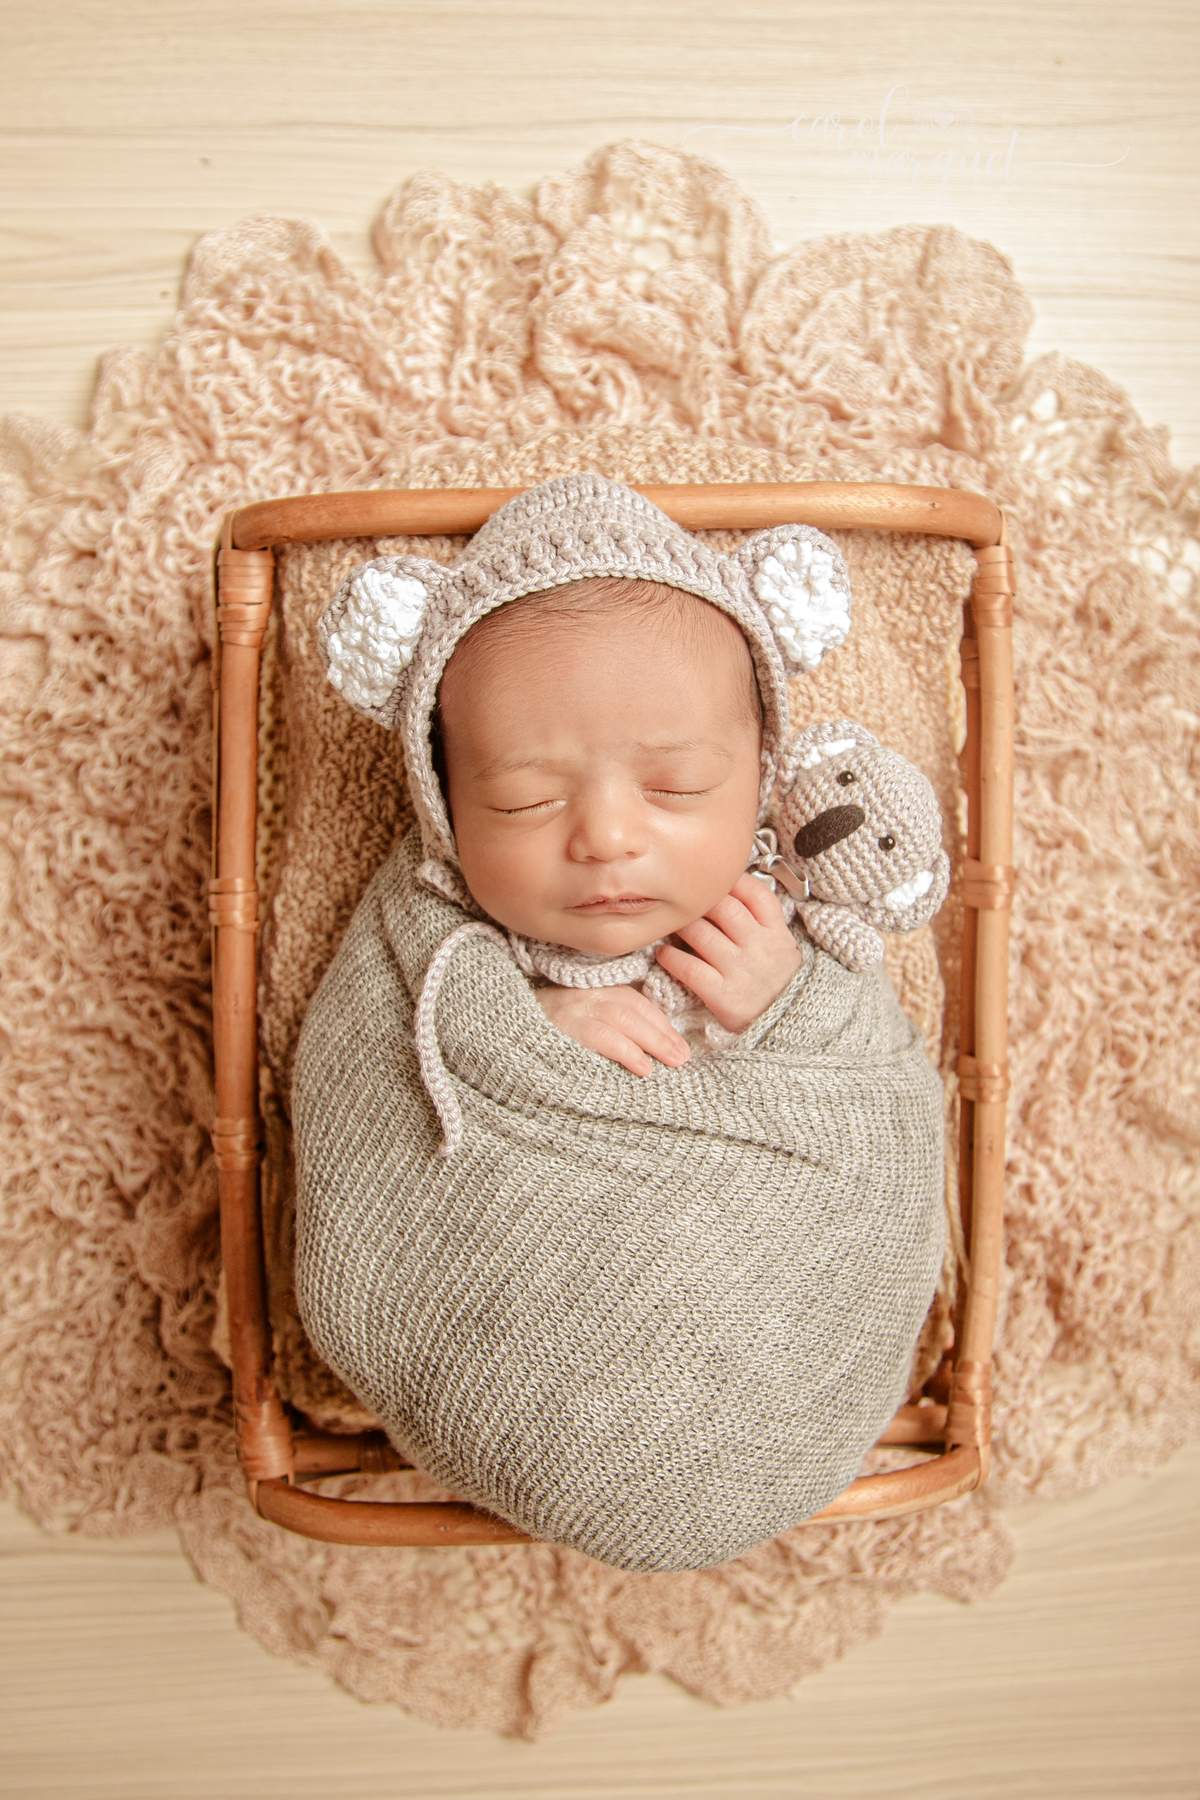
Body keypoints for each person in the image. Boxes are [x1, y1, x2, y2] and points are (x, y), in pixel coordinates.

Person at [292, 474, 946, 1571]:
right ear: (444, 806)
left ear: (760, 782)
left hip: (777, 1329)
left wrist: (792, 1008)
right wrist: (521, 1025)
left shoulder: (789, 934)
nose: (604, 837)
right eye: (525, 800)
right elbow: (366, 1093)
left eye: (677, 785)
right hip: (513, 1329)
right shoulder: (445, 949)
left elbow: (879, 1111)